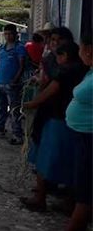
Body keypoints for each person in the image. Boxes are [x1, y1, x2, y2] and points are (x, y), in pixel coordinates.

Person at [20, 41, 87, 212]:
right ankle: (70, 200)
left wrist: (30, 104)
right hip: (71, 123)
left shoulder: (65, 72)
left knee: (45, 159)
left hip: (55, 119)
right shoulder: (83, 70)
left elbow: (49, 92)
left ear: (64, 56)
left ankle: (40, 197)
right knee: (71, 162)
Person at [64, 33, 92, 231]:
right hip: (83, 134)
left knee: (86, 187)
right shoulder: (89, 71)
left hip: (90, 137)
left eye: (80, 48)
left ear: (88, 51)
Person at [0, 24, 26, 145]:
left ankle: (17, 134)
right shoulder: (2, 48)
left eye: (10, 33)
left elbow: (21, 66)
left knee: (14, 110)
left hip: (12, 85)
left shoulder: (19, 48)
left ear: (16, 34)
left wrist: (15, 80)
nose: (8, 36)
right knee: (1, 108)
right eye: (6, 34)